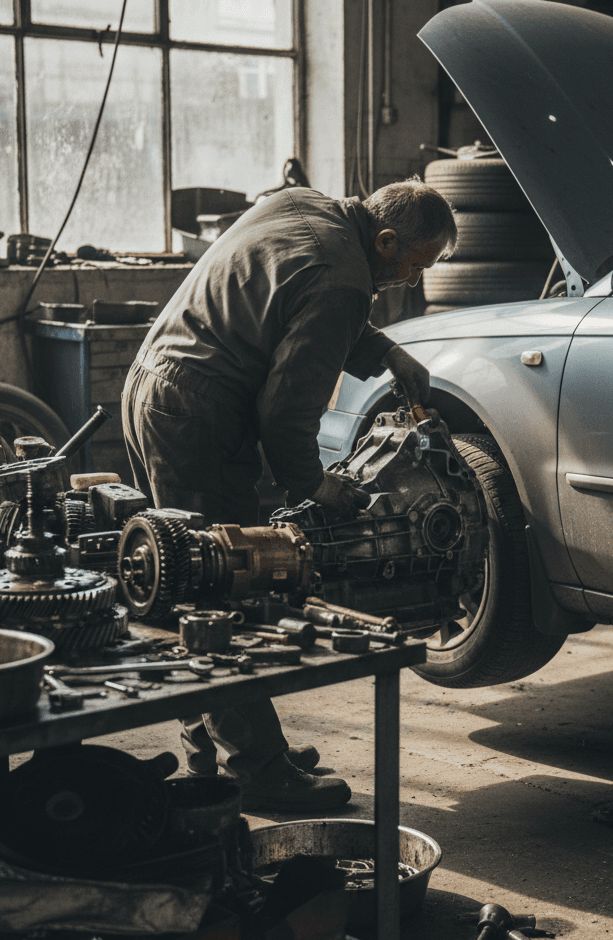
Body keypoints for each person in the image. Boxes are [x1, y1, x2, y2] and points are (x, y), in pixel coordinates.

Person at [121, 177, 457, 812]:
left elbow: (293, 299)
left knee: (186, 582)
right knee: (221, 585)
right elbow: (286, 415)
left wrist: (386, 351)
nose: (412, 284)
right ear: (385, 242)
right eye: (414, 268)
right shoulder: (347, 279)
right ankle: (260, 769)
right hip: (199, 414)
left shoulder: (301, 204)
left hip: (153, 386)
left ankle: (212, 752)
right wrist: (315, 485)